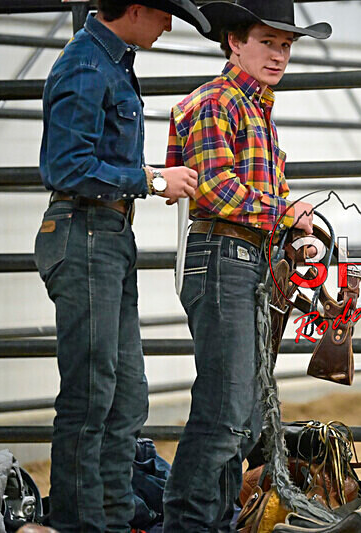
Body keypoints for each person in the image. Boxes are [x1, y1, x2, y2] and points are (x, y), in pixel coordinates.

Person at [35, 2, 207, 531]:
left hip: (103, 234)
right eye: (163, 12)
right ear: (135, 8)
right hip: (88, 230)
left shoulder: (105, 62)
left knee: (122, 395)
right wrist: (152, 180)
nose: (169, 23)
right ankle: (85, 522)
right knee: (94, 395)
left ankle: (107, 518)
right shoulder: (88, 65)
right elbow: (68, 165)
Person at [161, 1, 330, 530]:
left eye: (285, 46)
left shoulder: (256, 109)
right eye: (267, 42)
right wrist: (284, 211)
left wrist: (292, 228)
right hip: (222, 259)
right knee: (226, 411)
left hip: (243, 259)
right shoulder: (216, 103)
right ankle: (190, 523)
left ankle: (215, 519)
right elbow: (214, 188)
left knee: (240, 412)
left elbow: (256, 194)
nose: (279, 55)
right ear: (235, 41)